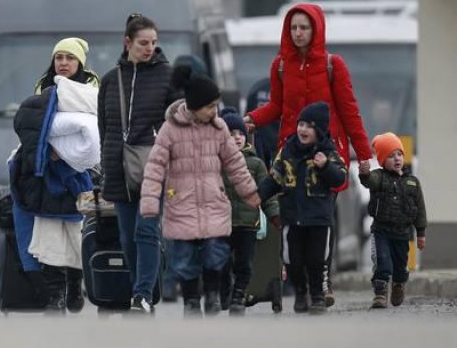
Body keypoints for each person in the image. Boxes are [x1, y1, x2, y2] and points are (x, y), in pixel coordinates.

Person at [244, 4, 372, 306]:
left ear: (316, 29)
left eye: (304, 27)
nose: (298, 33)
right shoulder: (280, 65)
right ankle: (302, 288)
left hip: (326, 159)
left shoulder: (333, 65)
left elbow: (349, 111)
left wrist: (364, 155)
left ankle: (321, 286)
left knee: (320, 223)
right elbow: (275, 106)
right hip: (291, 159)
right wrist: (252, 118)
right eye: (293, 28)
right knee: (293, 225)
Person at [140, 67, 260, 316]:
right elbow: (155, 167)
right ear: (194, 106)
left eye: (216, 106)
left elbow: (235, 164)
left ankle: (213, 295)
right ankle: (192, 300)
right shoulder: (170, 130)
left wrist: (250, 193)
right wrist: (150, 203)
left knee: (216, 253)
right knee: (184, 259)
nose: (214, 111)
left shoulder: (218, 130)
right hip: (181, 202)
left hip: (212, 201)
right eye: (209, 106)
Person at [11, 37, 100, 313]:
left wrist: (70, 151)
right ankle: (55, 297)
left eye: (69, 58)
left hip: (80, 175)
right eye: (58, 57)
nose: (63, 63)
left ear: (79, 63)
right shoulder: (43, 90)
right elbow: (34, 125)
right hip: (46, 176)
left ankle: (75, 286)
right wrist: (46, 149)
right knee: (49, 237)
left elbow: (95, 127)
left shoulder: (92, 91)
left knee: (75, 235)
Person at [98, 13, 178, 313]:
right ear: (127, 42)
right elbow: (103, 127)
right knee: (126, 236)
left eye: (154, 43)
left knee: (147, 230)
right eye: (144, 43)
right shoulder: (110, 80)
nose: (150, 48)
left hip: (153, 165)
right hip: (119, 166)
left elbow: (178, 121)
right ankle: (138, 287)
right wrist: (106, 166)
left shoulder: (168, 76)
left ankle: (143, 294)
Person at [258, 102, 347, 315]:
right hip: (292, 216)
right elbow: (274, 178)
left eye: (309, 126)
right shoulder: (287, 151)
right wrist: (257, 196)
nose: (302, 130)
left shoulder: (328, 153)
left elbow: (339, 178)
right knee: (292, 260)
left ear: (320, 130)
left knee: (316, 260)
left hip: (319, 219)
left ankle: (317, 296)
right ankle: (300, 292)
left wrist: (325, 166)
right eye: (301, 124)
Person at [219, 110, 281, 315]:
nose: (236, 137)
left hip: (248, 224)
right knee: (221, 262)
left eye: (240, 133)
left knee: (244, 264)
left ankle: (238, 296)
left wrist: (274, 214)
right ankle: (225, 293)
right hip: (222, 223)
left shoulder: (255, 163)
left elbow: (267, 192)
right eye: (231, 133)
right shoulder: (218, 161)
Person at [359, 133, 426, 309]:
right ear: (381, 160)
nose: (396, 159)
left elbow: (420, 210)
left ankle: (398, 285)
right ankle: (380, 294)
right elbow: (369, 182)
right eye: (390, 156)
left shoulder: (412, 183)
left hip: (403, 233)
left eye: (399, 154)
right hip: (381, 231)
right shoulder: (379, 177)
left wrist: (421, 234)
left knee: (400, 267)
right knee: (382, 262)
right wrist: (364, 173)